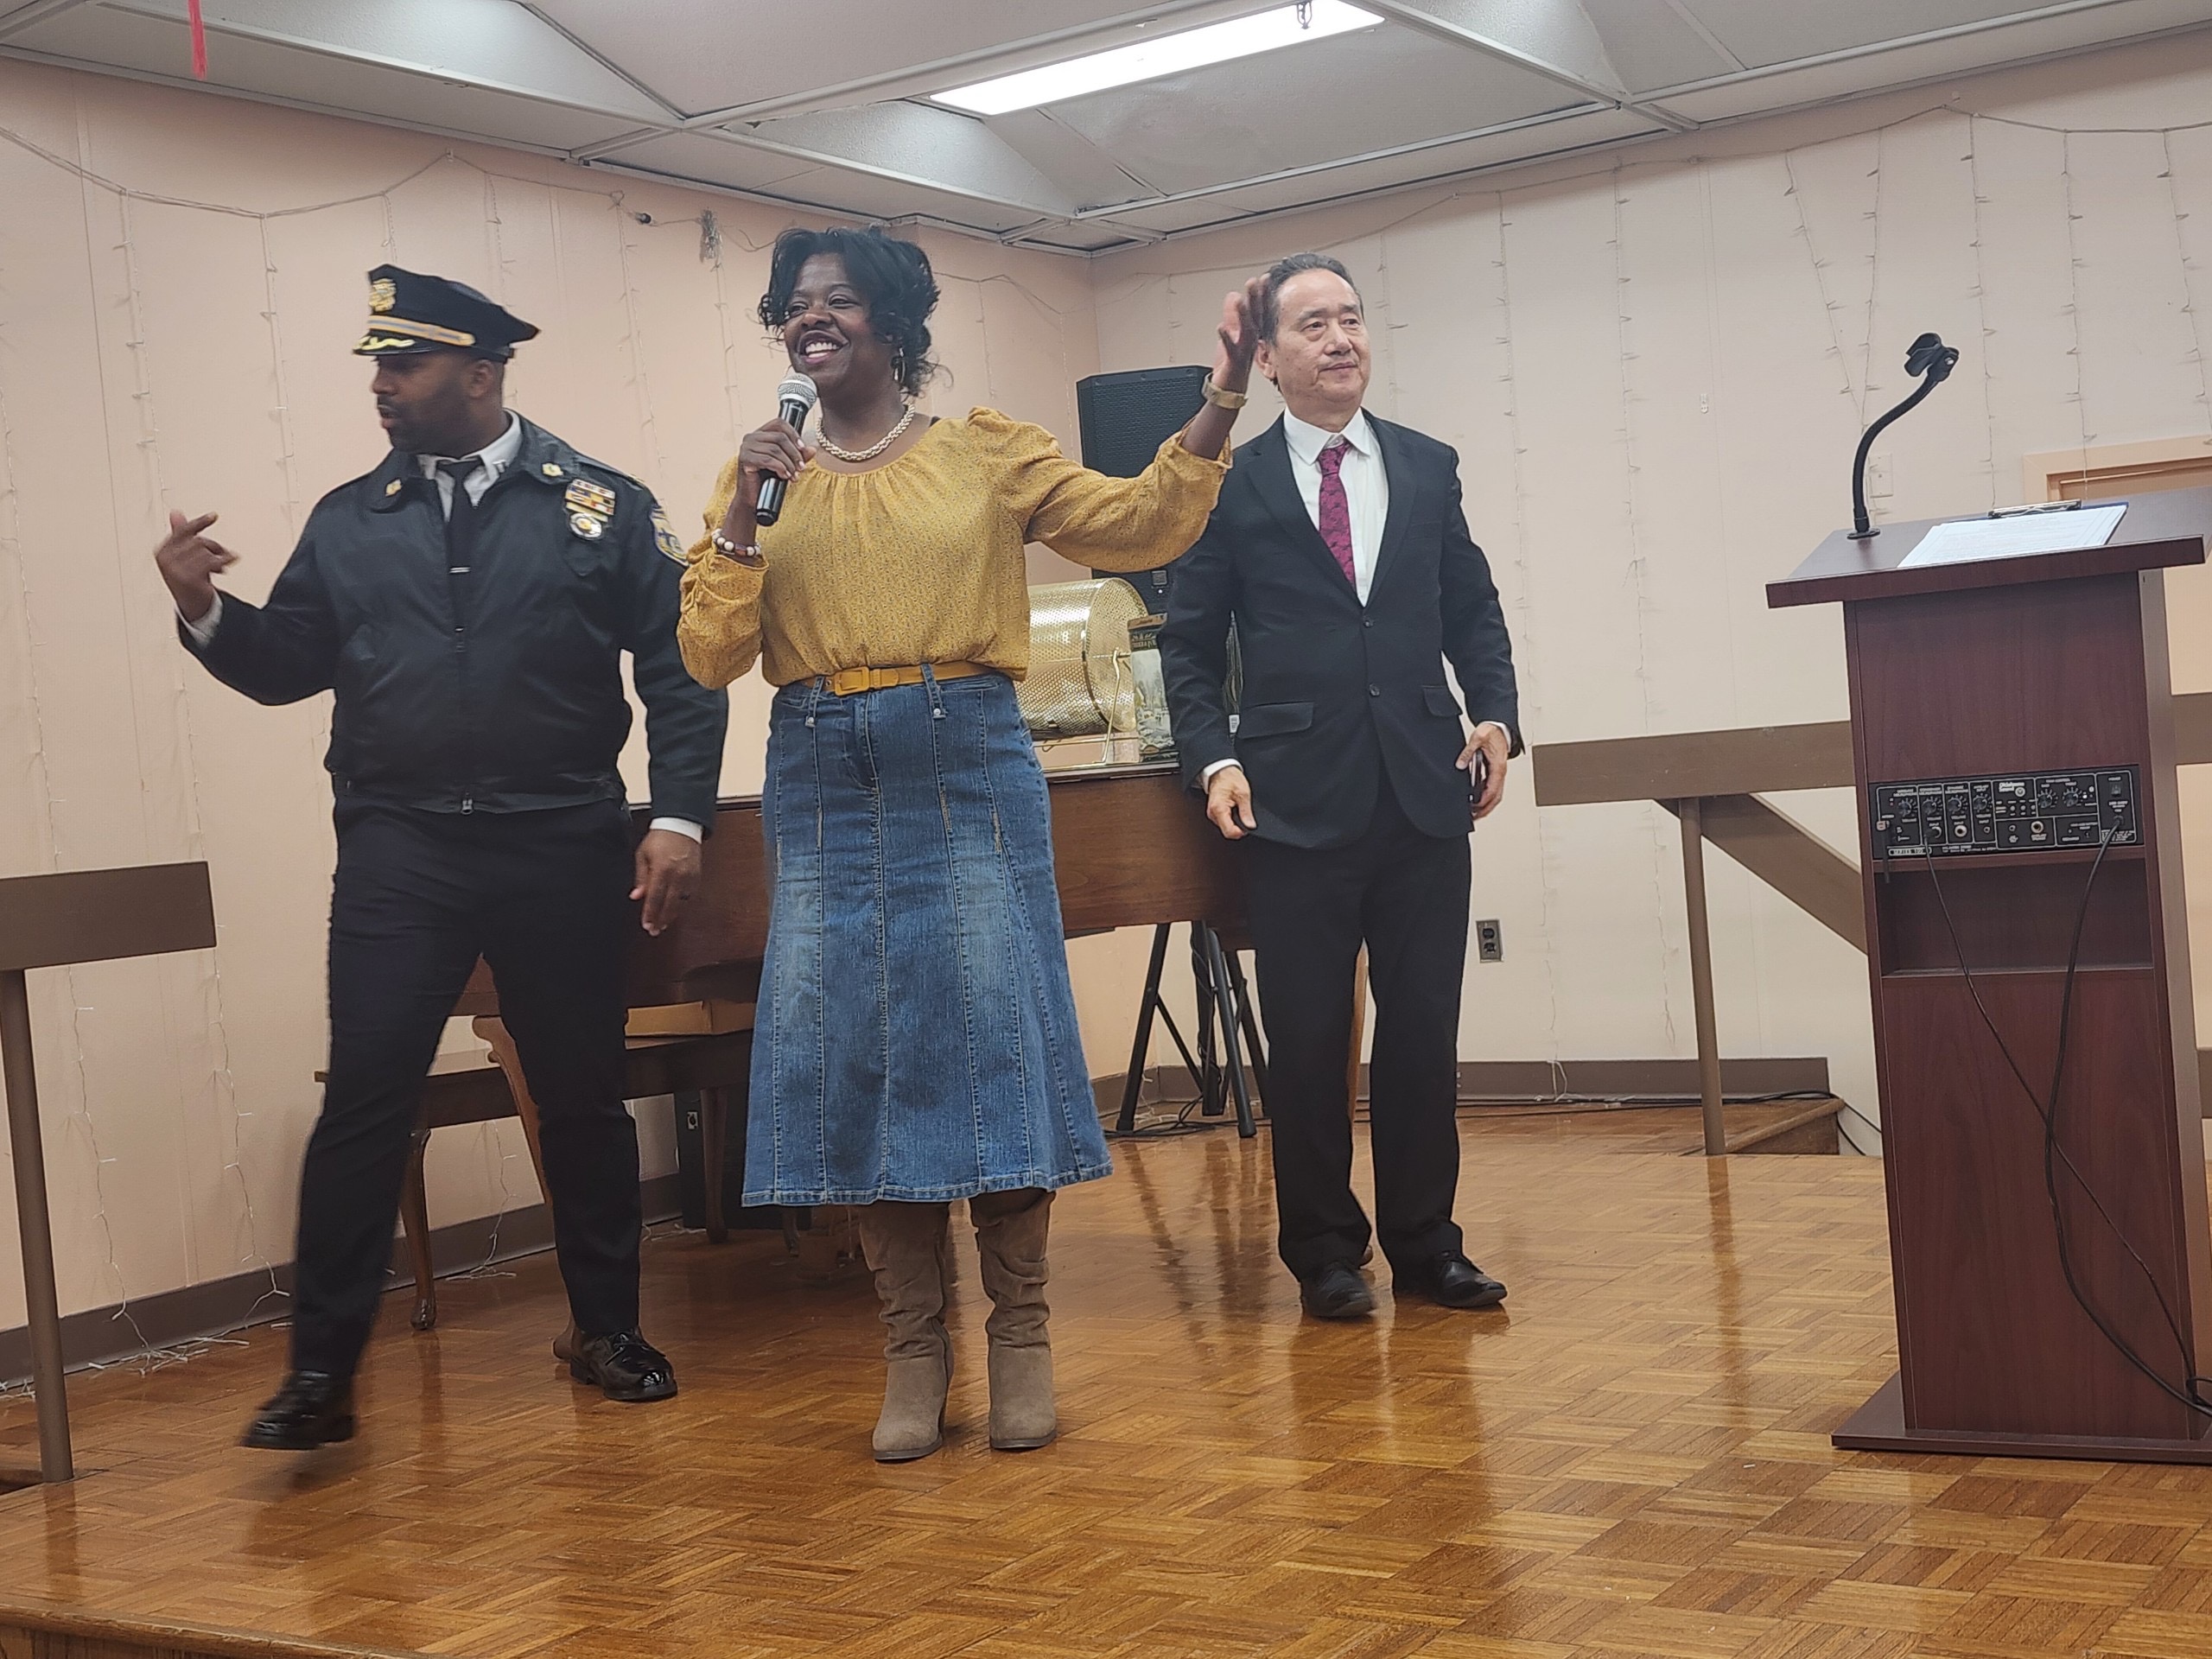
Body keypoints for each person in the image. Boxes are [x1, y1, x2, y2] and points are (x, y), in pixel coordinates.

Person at [679, 226, 1263, 1461]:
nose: (810, 317)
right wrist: (737, 519)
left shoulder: (982, 453)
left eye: (838, 299)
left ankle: (1022, 1336)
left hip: (965, 760)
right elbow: (709, 654)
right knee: (855, 1057)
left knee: (991, 1037)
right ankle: (911, 1346)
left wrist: (1221, 393)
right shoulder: (759, 477)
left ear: (893, 325)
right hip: (820, 774)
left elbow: (1140, 524)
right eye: (795, 303)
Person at [153, 266, 728, 1449]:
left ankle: (607, 1329)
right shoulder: (349, 520)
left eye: (403, 364)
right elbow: (287, 664)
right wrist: (205, 611)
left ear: (480, 372)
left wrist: (678, 818)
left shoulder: (600, 507)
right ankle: (320, 1377)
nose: (382, 385)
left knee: (580, 1093)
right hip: (400, 847)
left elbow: (683, 667)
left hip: (560, 839)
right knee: (366, 1099)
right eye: (378, 365)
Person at [1159, 251, 1520, 1322]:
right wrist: (1213, 758)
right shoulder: (1227, 483)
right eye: (1312, 324)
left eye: (1351, 318)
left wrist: (1496, 716)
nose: (1340, 339)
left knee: (1421, 1036)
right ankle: (1323, 1251)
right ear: (1266, 358)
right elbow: (1187, 646)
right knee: (1309, 1042)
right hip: (1290, 803)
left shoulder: (1426, 466)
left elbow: (1472, 610)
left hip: (1425, 790)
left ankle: (1427, 1247)